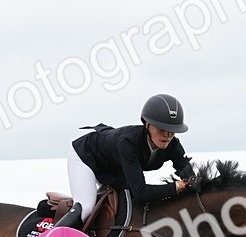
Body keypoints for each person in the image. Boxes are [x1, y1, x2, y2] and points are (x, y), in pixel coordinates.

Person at [57, 94, 198, 230]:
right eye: (162, 129)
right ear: (147, 125)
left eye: (172, 130)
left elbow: (188, 174)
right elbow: (141, 192)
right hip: (86, 156)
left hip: (115, 167)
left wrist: (195, 182)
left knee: (128, 203)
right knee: (86, 208)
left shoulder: (173, 145)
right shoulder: (129, 143)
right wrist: (177, 186)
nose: (168, 135)